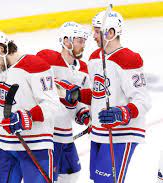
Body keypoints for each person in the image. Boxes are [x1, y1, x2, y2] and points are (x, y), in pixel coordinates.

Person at [61, 11, 151, 182]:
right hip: (100, 131)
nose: (93, 36)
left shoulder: (129, 59)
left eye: (97, 31)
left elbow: (143, 100)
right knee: (98, 180)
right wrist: (79, 94)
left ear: (110, 33)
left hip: (122, 132)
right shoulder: (95, 58)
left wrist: (122, 113)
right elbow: (98, 94)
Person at [0, 30, 62, 183]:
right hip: (5, 146)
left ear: (2, 49)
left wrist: (28, 116)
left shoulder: (36, 66)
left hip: (35, 145)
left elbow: (52, 104)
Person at [36, 22, 91, 183]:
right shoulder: (46, 59)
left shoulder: (84, 68)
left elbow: (81, 100)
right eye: (79, 41)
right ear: (66, 41)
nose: (83, 45)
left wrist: (84, 115)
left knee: (72, 174)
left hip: (66, 135)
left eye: (83, 41)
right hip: (48, 135)